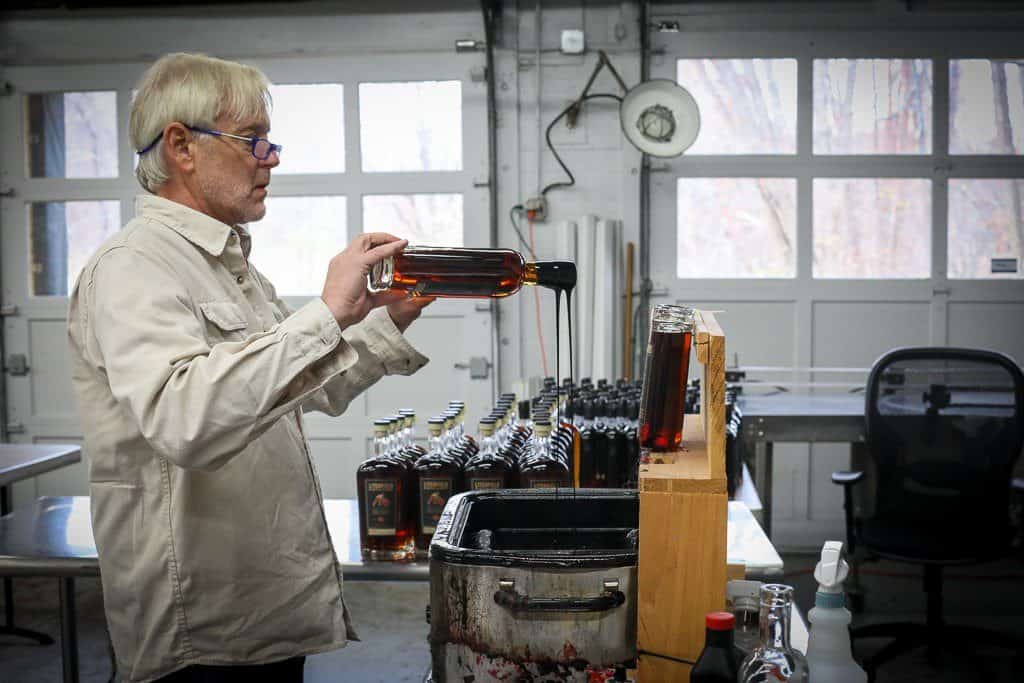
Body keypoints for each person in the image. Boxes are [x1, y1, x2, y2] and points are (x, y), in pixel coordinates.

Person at [67, 52, 432, 683]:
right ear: (181, 146)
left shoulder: (230, 268)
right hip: (199, 633)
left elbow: (302, 389)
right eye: (252, 141)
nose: (272, 157)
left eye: (269, 140)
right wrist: (324, 313)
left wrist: (383, 319)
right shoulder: (133, 268)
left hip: (259, 615)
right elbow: (187, 420)